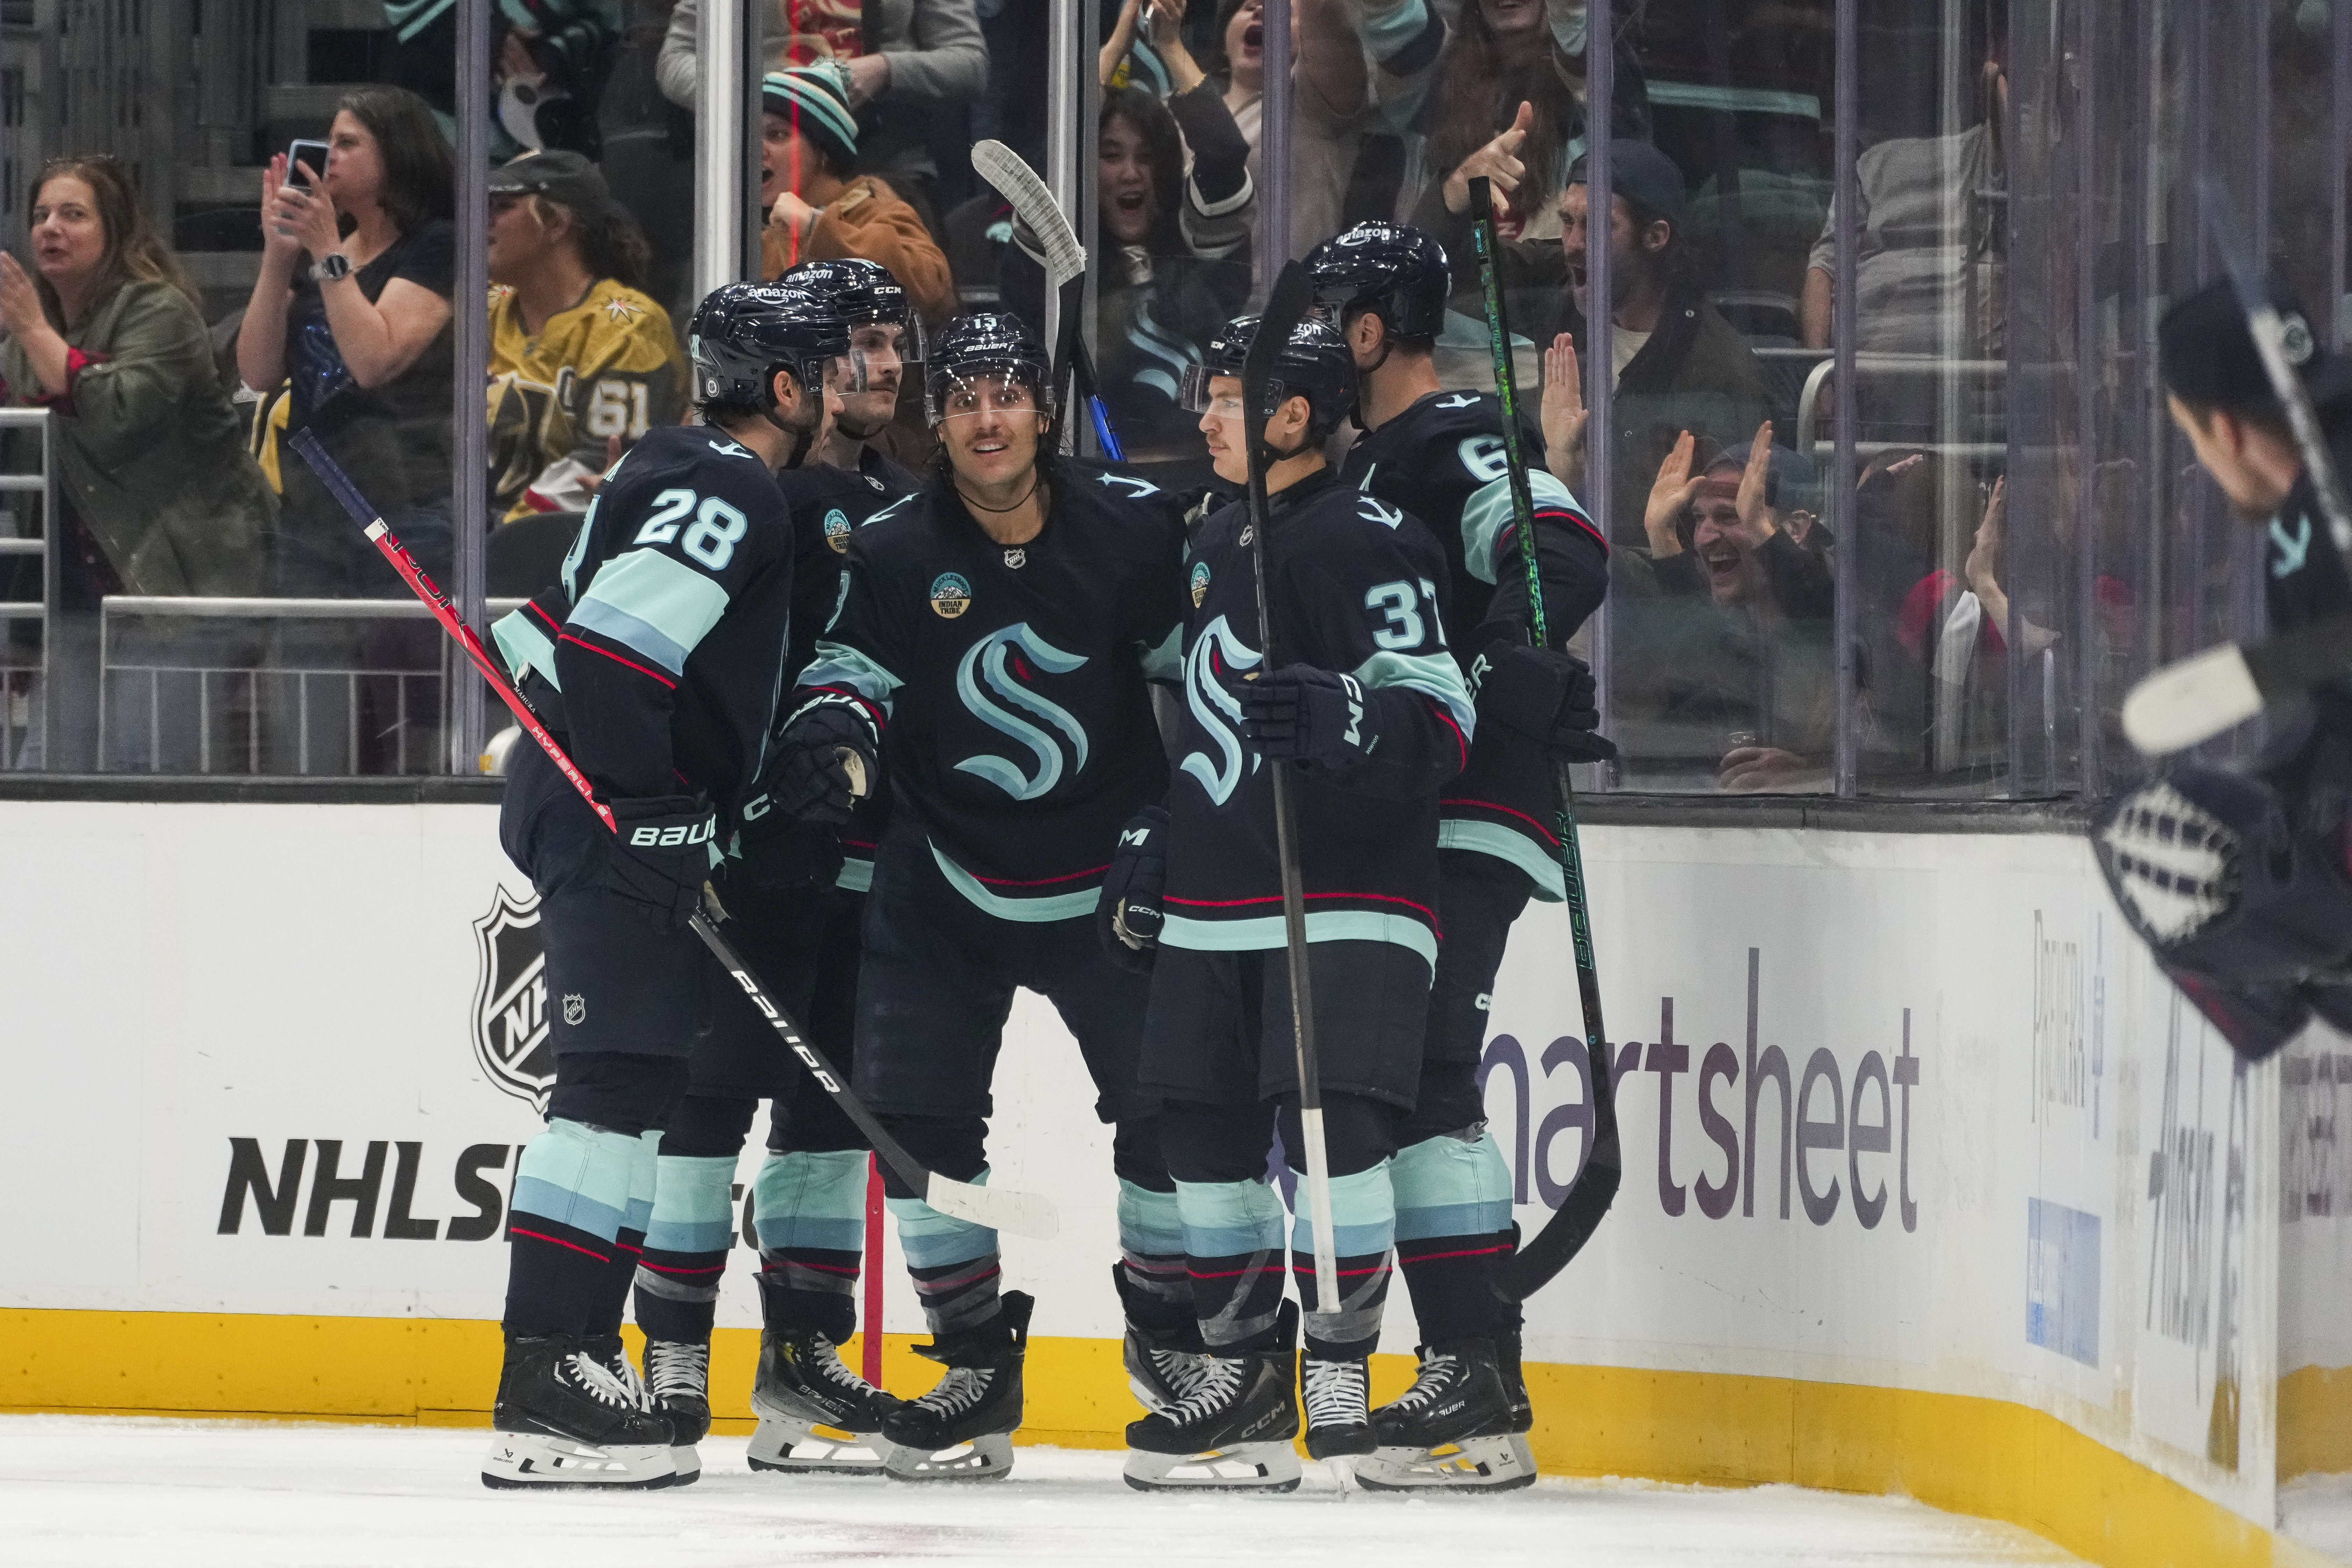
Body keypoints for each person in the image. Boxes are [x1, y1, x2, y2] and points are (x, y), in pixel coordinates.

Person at [766, 312, 1192, 1481]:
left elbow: (1194, 682)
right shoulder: (895, 545)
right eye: (964, 400)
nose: (989, 419)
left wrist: (1175, 826)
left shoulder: (1134, 530)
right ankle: (969, 1358)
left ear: (1042, 412)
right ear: (936, 418)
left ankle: (1174, 1346)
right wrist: (832, 736)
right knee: (914, 1129)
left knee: (1163, 1117)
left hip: (1107, 875)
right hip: (941, 880)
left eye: (1007, 396)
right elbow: (850, 671)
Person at [479, 280, 851, 1491]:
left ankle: (575, 1359)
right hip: (607, 819)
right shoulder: (734, 485)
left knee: (631, 1084)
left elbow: (537, 633)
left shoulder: (664, 458)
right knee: (604, 1090)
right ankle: (547, 1376)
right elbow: (614, 650)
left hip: (592, 806)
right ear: (787, 389)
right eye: (822, 374)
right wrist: (650, 808)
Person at [1111, 312, 1475, 1490]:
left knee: (1339, 1130)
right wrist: (1158, 836)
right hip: (1221, 891)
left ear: (1291, 416)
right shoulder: (1217, 534)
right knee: (1195, 1132)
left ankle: (1337, 1360)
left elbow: (1440, 710)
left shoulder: (1364, 537)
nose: (1204, 417)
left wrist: (1347, 715)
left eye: (1225, 398)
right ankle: (1244, 1378)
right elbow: (1194, 717)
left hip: (1347, 891)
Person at [1305, 221, 1606, 1488]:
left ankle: (1474, 1385)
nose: (1307, 344)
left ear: (1371, 329)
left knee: (1426, 1070)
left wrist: (1490, 676)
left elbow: (1562, 547)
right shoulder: (1368, 458)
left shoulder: (1455, 431)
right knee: (1414, 1073)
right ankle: (1469, 1375)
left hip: (1469, 799)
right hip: (1416, 804)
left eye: (1326, 319)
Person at [625, 259, 922, 1478]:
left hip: (874, 846)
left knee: (828, 1105)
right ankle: (676, 1347)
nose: (883, 363)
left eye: (895, 338)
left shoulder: (911, 494)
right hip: (748, 834)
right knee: (706, 1096)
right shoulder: (748, 491)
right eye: (856, 340)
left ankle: (801, 1360)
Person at [2097, 277, 2352, 1064]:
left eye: (2191, 438)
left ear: (2225, 433)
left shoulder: (2311, 525)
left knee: (2172, 845)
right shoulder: (2313, 508)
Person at [0, 156, 277, 771]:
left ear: (116, 231)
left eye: (73, 215)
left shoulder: (159, 311)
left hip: (183, 590)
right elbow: (35, 492)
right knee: (45, 775)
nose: (51, 228)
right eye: (41, 215)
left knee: (142, 774)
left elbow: (118, 414)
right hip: (79, 601)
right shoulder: (26, 340)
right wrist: (22, 633)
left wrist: (28, 326)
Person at [1438, 137, 1770, 544]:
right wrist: (1456, 195)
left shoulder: (1720, 367)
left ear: (1656, 236)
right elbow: (1441, 269)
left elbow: (1726, 534)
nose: (1574, 244)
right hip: (1534, 559)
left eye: (1596, 226)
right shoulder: (1554, 287)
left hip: (1644, 591)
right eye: (1567, 222)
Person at [236, 86, 456, 594]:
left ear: (397, 154)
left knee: (403, 670)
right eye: (327, 140)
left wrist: (326, 251)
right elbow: (258, 372)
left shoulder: (436, 244)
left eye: (347, 143)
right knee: (311, 666)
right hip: (313, 501)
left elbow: (374, 361)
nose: (326, 156)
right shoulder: (322, 250)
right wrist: (279, 256)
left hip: (407, 503)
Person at [1003, 81, 1253, 473]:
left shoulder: (1198, 245)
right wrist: (1093, 63)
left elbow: (1224, 152)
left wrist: (1170, 45)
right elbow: (1048, 170)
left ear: (1167, 168)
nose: (1131, 174)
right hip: (1089, 474)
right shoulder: (1059, 261)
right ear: (1085, 167)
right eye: (1111, 155)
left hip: (1201, 468)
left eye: (1147, 157)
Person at [657, 0, 989, 235]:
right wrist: (755, 98)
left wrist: (886, 69)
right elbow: (676, 60)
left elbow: (969, 62)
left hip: (884, 160)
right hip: (761, 166)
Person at [484, 150, 688, 522]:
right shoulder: (483, 310)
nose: (483, 221)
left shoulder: (629, 328)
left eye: (502, 206)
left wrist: (489, 544)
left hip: (560, 549)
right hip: (459, 535)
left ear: (556, 225)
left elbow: (601, 466)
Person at [1627, 426, 1834, 791]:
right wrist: (1662, 535)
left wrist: (1813, 775)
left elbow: (1897, 748)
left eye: (1730, 515)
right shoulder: (1715, 631)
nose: (1704, 536)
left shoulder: (1846, 618)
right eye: (1698, 519)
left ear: (1798, 528)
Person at [1406, 0, 1648, 245]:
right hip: (1447, 273)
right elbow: (1389, 20)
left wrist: (1571, 11)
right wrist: (1462, 181)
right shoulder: (1436, 71)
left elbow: (1578, 45)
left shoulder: (1593, 80)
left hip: (1562, 277)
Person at [757, 66, 955, 325]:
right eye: (750, 137)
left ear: (825, 149)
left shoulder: (879, 210)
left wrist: (815, 227)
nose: (756, 150)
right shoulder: (762, 242)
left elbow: (930, 291)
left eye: (777, 135)